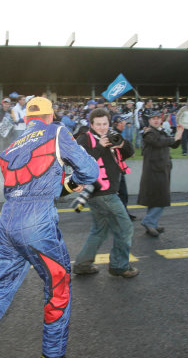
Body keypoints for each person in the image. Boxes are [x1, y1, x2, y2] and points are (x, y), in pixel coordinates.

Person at [0, 97, 98, 358]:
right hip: (37, 221)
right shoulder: (56, 131)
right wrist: (71, 184)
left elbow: (21, 186)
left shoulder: (9, 149)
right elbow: (89, 171)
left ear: (27, 118)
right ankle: (53, 353)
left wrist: (60, 185)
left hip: (8, 220)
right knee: (58, 286)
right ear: (50, 115)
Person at [73, 109, 139, 278]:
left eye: (105, 124)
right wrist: (101, 146)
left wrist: (121, 144)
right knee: (125, 228)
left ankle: (82, 264)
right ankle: (119, 266)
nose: (102, 128)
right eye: (98, 124)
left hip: (102, 193)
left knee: (99, 231)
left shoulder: (111, 135)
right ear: (91, 124)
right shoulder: (84, 138)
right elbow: (81, 164)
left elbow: (130, 153)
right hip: (103, 193)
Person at [137, 111, 184, 236]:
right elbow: (159, 142)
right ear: (149, 121)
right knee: (161, 198)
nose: (156, 120)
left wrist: (179, 133)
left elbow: (173, 144)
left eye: (158, 118)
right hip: (154, 171)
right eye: (153, 118)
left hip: (161, 169)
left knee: (155, 199)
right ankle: (148, 221)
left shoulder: (160, 132)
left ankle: (152, 223)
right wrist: (172, 138)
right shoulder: (149, 132)